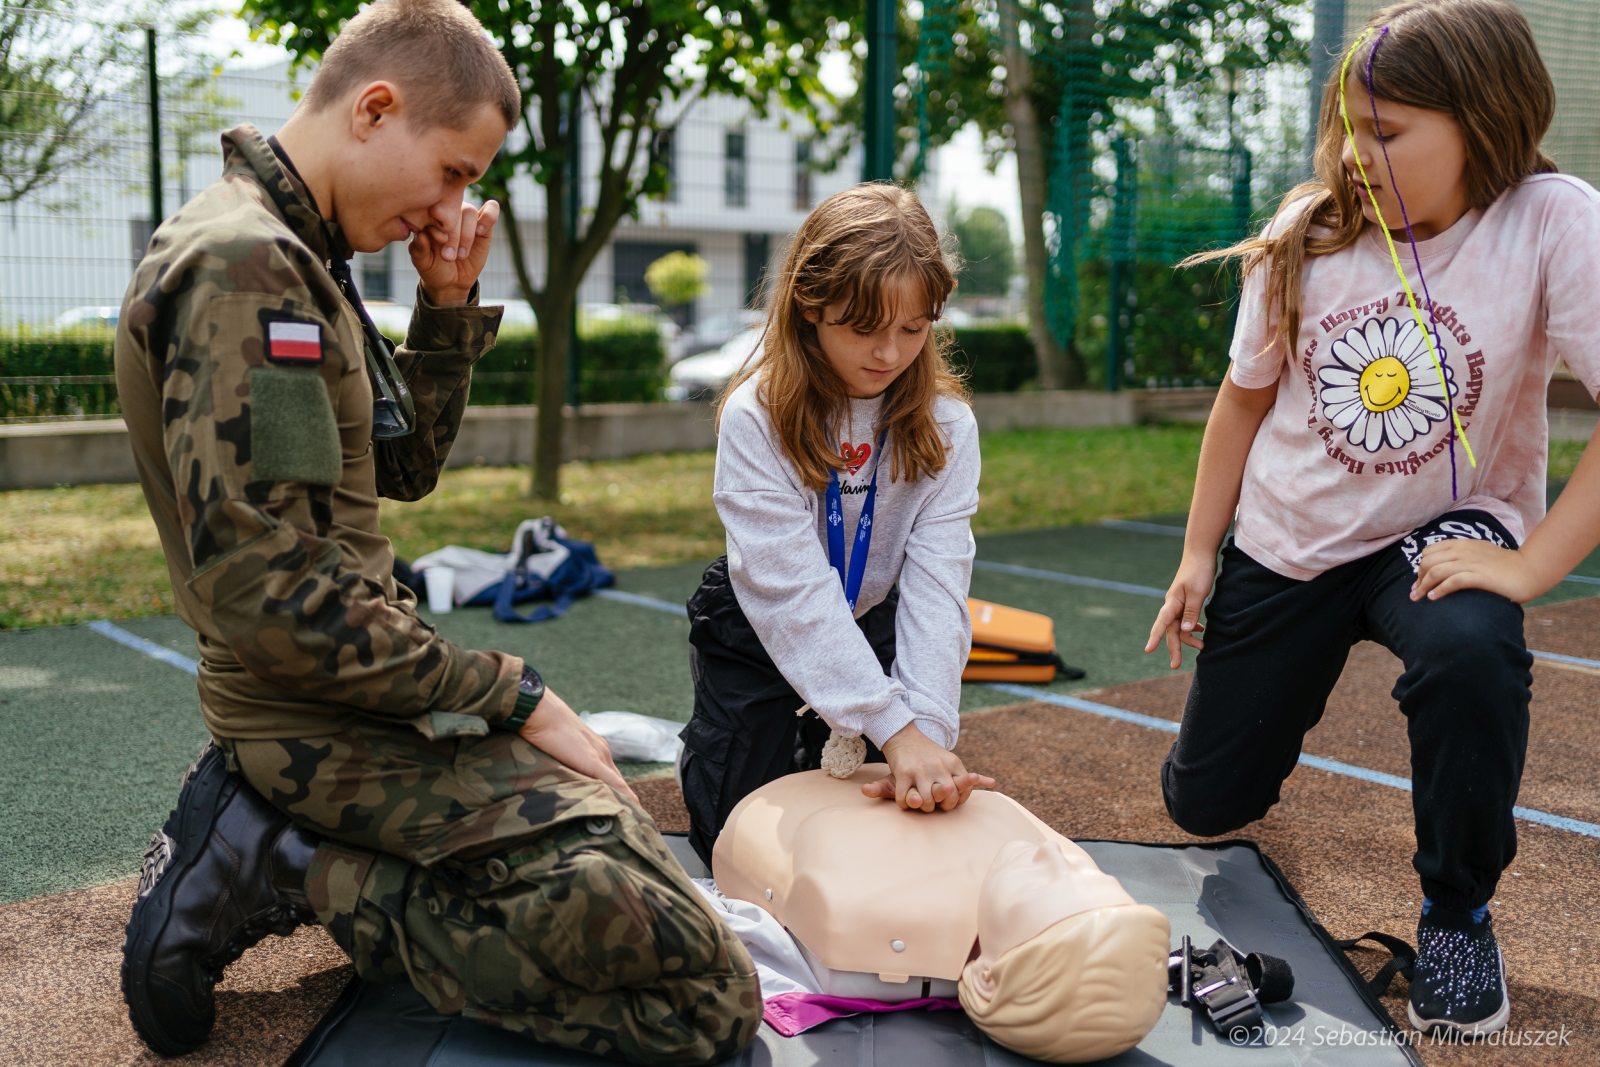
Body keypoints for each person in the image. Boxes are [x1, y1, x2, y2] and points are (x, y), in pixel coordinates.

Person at [113, 2, 759, 1063]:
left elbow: (396, 471)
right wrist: (512, 688)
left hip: (365, 690)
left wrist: (447, 305)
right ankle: (279, 857)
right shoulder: (247, 267)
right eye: (455, 171)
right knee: (702, 995)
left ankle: (308, 854)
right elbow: (269, 596)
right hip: (317, 719)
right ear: (376, 109)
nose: (455, 203)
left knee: (627, 849)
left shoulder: (296, 251)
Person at [1143, 0, 1600, 1039]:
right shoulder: (1305, 234)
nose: (1354, 154)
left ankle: (1455, 912)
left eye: (1384, 132)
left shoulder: (1551, 219)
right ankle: (1234, 745)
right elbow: (1242, 402)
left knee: (1469, 645)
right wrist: (1195, 553)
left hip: (1439, 529)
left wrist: (1528, 569)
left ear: (1481, 122)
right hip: (1290, 538)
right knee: (1204, 807)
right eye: (1346, 127)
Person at [677, 184, 993, 867]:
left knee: (890, 823)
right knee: (731, 839)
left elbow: (939, 587)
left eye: (914, 329)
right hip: (757, 625)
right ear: (810, 305)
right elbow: (790, 591)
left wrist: (925, 732)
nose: (889, 353)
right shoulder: (756, 415)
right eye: (864, 327)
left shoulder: (948, 426)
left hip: (873, 618)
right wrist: (893, 727)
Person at [712, 764, 1172, 1063]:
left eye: (1047, 888)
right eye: (1089, 876)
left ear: (989, 974)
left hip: (770, 800)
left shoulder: (868, 906)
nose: (1055, 856)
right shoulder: (1036, 852)